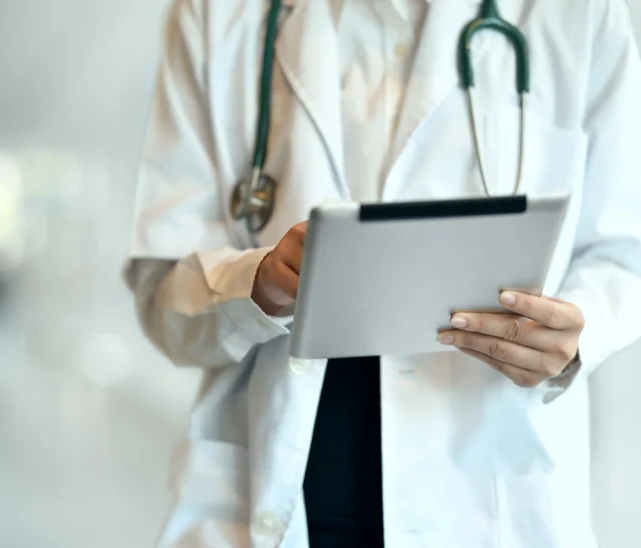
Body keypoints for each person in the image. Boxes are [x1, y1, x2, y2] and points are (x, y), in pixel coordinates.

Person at [123, 0, 641, 546]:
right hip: (267, 498)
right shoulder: (218, 13)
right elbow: (163, 297)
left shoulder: (580, 12)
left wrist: (579, 329)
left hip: (489, 504)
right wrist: (256, 284)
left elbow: (624, 252)